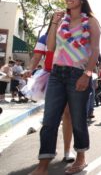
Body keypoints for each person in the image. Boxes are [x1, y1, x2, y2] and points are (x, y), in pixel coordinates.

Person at [31, 0, 101, 175]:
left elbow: (95, 51)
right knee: (49, 120)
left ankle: (81, 158)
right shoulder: (61, 21)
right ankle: (43, 165)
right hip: (57, 74)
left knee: (78, 119)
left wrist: (87, 75)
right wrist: (54, 22)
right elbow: (51, 47)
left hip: (78, 74)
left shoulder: (92, 22)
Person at [27, 17, 76, 163]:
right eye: (59, 20)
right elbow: (37, 57)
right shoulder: (45, 37)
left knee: (68, 114)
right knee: (51, 117)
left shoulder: (71, 37)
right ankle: (49, 150)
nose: (63, 22)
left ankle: (68, 150)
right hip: (50, 78)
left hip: (68, 77)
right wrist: (30, 69)